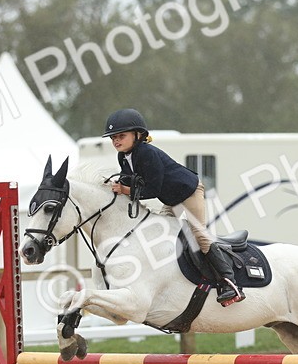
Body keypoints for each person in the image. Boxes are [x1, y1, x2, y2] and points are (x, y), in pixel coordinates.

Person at [103, 107, 244, 306]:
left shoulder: (147, 153)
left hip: (189, 192)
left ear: (137, 135)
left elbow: (152, 188)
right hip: (170, 198)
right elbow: (128, 182)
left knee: (198, 234)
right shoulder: (123, 156)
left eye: (121, 136)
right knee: (156, 230)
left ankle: (229, 282)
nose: (116, 141)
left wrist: (125, 190)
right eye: (113, 138)